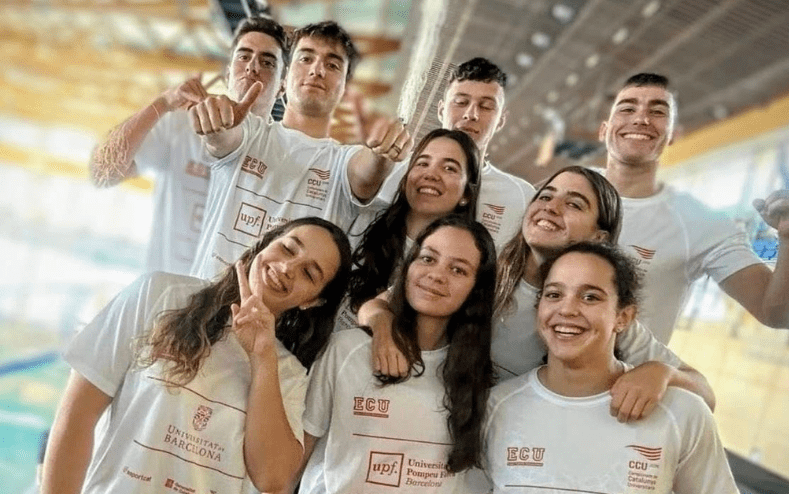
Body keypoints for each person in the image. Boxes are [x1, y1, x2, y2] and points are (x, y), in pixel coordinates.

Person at [364, 166, 715, 422]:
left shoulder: (602, 318)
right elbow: (375, 306)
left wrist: (661, 373)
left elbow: (705, 394)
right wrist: (383, 326)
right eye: (545, 196)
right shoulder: (482, 271)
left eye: (574, 204)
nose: (551, 206)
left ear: (599, 238)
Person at [41, 217, 352, 494]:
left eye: (308, 273)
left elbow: (273, 480)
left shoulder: (288, 374)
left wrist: (262, 357)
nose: (287, 268)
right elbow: (77, 416)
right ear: (266, 243)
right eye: (287, 248)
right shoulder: (158, 295)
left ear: (313, 301)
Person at [482, 242, 739, 493]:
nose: (567, 309)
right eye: (554, 295)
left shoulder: (681, 413)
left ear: (623, 317)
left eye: (590, 297)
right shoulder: (497, 409)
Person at [189, 20, 410, 279]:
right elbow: (223, 139)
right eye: (306, 58)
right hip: (209, 299)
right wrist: (215, 123)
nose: (317, 70)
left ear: (345, 90)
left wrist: (382, 153)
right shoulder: (250, 133)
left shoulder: (342, 162)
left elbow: (366, 173)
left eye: (333, 65)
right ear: (284, 79)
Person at [600, 72, 789, 343]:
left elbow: (779, 315)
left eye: (658, 111)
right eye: (627, 108)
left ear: (672, 135)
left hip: (630, 371)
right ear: (603, 130)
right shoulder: (559, 193)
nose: (641, 118)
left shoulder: (701, 225)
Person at [299, 215, 497, 492]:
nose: (436, 275)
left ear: (476, 289)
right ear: (409, 265)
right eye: (427, 259)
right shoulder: (346, 349)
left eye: (458, 270)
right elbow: (295, 458)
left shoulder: (480, 383)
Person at [89, 16, 288, 275]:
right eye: (243, 56)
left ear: (282, 86)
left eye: (267, 62)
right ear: (228, 72)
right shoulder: (181, 127)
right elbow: (102, 173)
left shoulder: (286, 158)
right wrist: (162, 104)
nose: (252, 67)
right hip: (162, 295)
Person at [372, 57, 535, 251]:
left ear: (501, 120)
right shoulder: (392, 170)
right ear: (441, 110)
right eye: (460, 102)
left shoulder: (520, 196)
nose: (471, 114)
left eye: (485, 106)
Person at [341, 128, 480, 329]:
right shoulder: (364, 217)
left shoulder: (462, 263)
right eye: (422, 163)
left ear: (466, 194)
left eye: (449, 168)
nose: (431, 174)